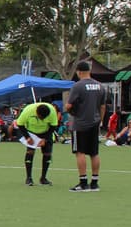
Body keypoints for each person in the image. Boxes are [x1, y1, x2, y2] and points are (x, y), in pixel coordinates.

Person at [65, 60, 106, 192]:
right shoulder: (100, 86)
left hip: (80, 124)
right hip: (95, 123)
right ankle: (94, 182)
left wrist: (70, 110)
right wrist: (100, 120)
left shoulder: (78, 86)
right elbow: (103, 106)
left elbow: (69, 105)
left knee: (80, 152)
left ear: (79, 72)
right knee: (94, 153)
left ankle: (83, 182)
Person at [16, 101, 59, 185]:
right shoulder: (28, 111)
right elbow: (20, 124)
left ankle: (43, 178)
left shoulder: (52, 111)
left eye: (44, 118)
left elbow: (53, 126)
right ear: (36, 112)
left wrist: (45, 139)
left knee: (47, 154)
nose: (42, 120)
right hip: (32, 133)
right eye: (40, 117)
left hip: (46, 132)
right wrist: (27, 137)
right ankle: (29, 178)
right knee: (30, 152)